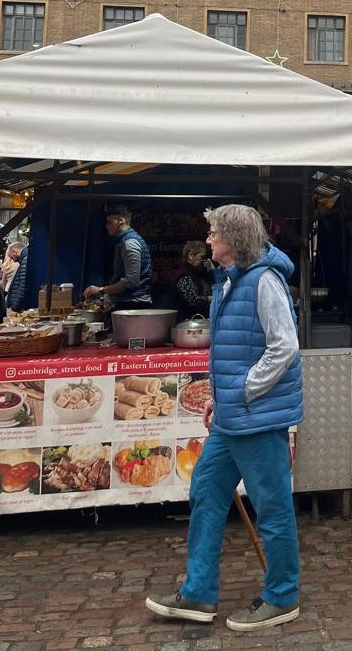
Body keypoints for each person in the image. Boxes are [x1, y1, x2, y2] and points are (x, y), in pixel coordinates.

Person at [146, 204, 302, 631]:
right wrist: (219, 396)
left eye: (213, 233)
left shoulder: (264, 281)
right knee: (206, 492)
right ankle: (198, 592)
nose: (208, 239)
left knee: (271, 508)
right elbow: (235, 352)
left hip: (258, 417)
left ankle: (282, 595)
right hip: (233, 416)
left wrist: (244, 389)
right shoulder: (230, 280)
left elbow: (284, 346)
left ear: (233, 239)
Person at [83, 205, 152, 310]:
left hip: (134, 305)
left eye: (109, 222)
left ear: (121, 221)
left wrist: (101, 290)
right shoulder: (124, 242)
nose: (107, 227)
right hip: (131, 303)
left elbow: (131, 281)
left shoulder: (130, 243)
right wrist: (108, 297)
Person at [173, 240, 212, 321]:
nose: (204, 261)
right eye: (202, 257)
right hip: (186, 322)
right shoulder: (184, 275)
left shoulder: (199, 274)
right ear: (191, 255)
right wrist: (210, 299)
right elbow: (192, 300)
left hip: (200, 320)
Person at [7, 246, 30, 312]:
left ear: (14, 251)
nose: (13, 260)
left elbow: (22, 286)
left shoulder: (25, 260)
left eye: (11, 257)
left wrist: (15, 306)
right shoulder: (25, 259)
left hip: (20, 306)